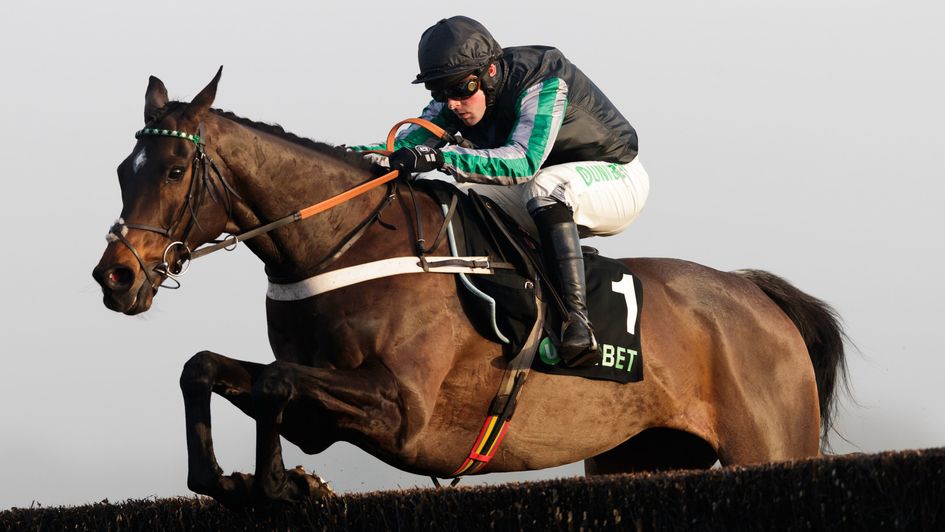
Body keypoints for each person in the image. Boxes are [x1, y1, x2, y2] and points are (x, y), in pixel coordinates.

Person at [352, 16, 649, 368]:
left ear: (490, 71)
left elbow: (523, 162)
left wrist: (440, 157)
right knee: (468, 195)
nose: (451, 103)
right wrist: (343, 158)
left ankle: (577, 322)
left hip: (617, 176)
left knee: (545, 187)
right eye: (439, 92)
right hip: (544, 185)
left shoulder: (542, 79)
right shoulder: (455, 99)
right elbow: (401, 148)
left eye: (461, 90)